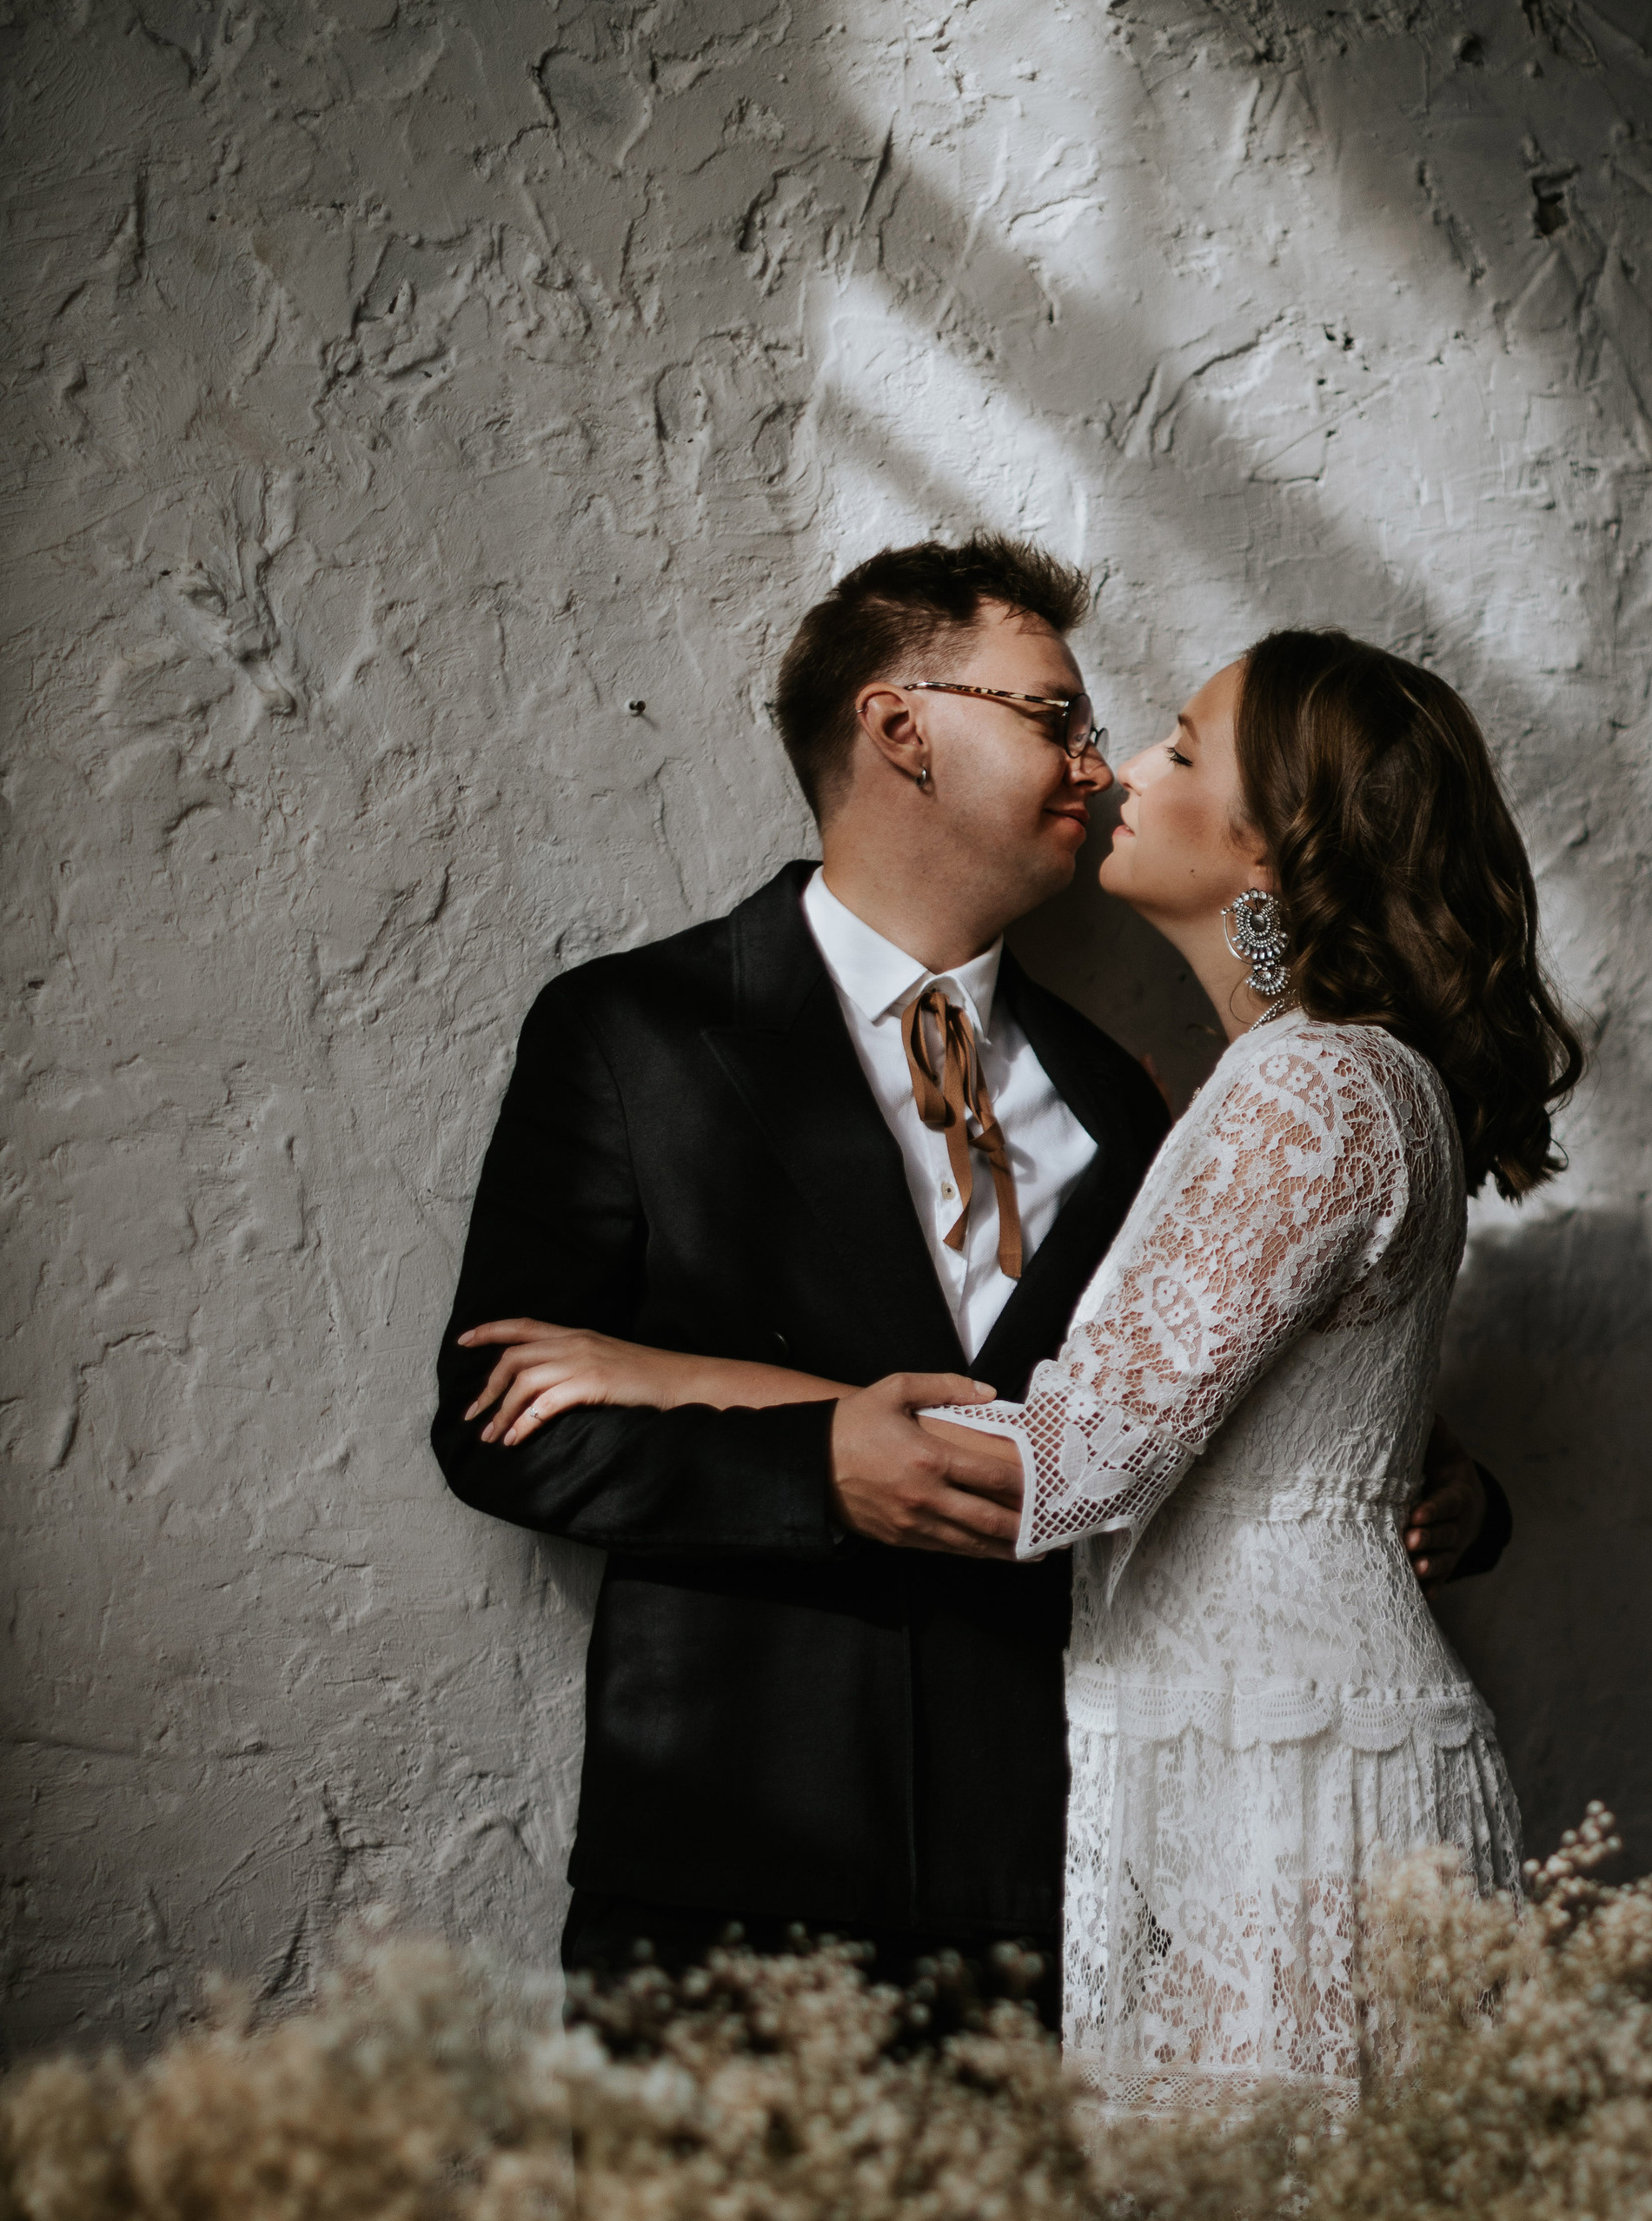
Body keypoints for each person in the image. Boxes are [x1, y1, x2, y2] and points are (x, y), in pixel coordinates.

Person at [435, 540, 1503, 2003]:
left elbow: (1195, 1412)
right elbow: (498, 1412)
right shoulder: (636, 1033)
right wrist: (816, 1466)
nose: (1099, 763)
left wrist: (1426, 1478)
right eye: (1052, 716)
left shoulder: (1136, 1097)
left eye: (1115, 730)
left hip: (1063, 1891)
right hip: (730, 1874)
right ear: (899, 727)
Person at [926, 630, 1582, 2118]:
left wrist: (699, 1397)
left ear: (1275, 850)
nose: (1126, 774)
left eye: (1175, 746)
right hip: (1260, 1738)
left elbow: (1090, 1456)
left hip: (1285, 1768)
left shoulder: (1314, 1083)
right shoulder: (1322, 1064)